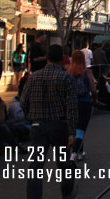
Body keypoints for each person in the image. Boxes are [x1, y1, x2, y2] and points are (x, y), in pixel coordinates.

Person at [20, 44, 78, 199]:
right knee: (63, 165)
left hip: (38, 125)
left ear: (46, 58)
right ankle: (66, 193)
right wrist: (73, 132)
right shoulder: (66, 78)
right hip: (59, 125)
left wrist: (30, 117)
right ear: (62, 59)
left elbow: (23, 102)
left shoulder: (34, 77)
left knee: (36, 167)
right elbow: (72, 107)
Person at [68, 50, 97, 162]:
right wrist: (95, 99)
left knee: (74, 128)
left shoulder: (68, 73)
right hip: (85, 103)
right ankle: (74, 153)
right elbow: (93, 90)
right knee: (81, 129)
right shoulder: (87, 72)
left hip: (72, 103)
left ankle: (79, 151)